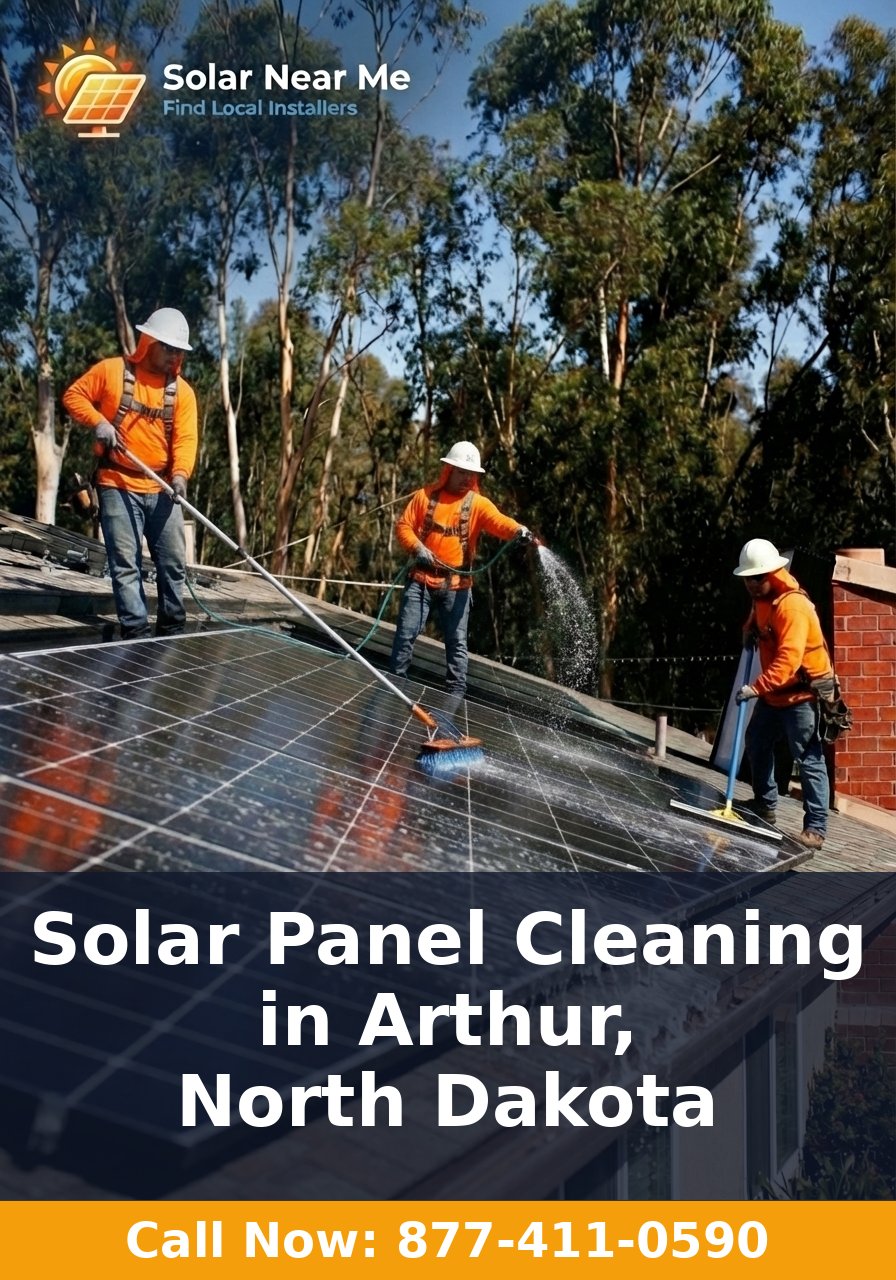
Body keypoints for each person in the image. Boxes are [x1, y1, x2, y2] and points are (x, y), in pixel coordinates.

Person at [63, 308, 198, 639]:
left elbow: (185, 439)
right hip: (117, 483)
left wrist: (180, 476)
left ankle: (171, 632)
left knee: (172, 565)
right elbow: (73, 396)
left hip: (163, 488)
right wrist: (99, 422)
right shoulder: (111, 372)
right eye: (168, 347)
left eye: (179, 350)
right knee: (126, 563)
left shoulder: (182, 393)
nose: (174, 355)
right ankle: (137, 636)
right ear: (148, 342)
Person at [390, 441, 534, 696]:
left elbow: (500, 522)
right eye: (461, 472)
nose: (466, 478)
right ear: (448, 470)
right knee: (406, 633)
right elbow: (404, 526)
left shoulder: (477, 504)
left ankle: (456, 696)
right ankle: (395, 686)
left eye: (471, 473)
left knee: (456, 644)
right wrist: (417, 548)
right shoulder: (425, 496)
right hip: (421, 579)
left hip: (457, 586)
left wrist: (518, 530)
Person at [732, 538, 833, 850]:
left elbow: (788, 662)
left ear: (770, 574)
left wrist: (755, 688)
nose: (749, 584)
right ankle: (765, 804)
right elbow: (757, 618)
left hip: (800, 695)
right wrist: (748, 629)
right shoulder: (762, 596)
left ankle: (815, 828)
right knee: (758, 741)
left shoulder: (793, 607)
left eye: (755, 578)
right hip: (776, 694)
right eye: (747, 578)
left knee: (808, 757)